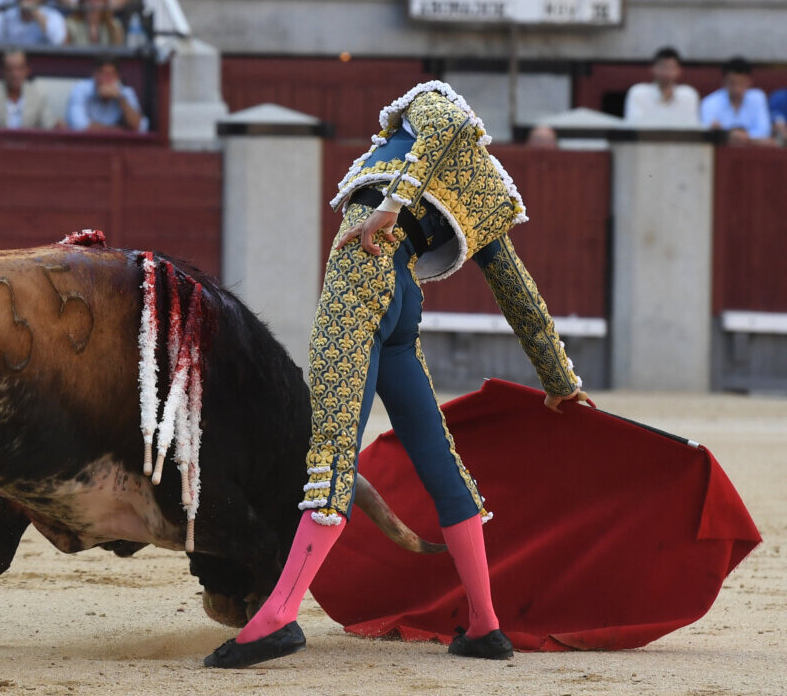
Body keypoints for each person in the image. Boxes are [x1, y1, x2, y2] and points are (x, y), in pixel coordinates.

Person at [205, 81, 587, 669]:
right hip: (403, 298)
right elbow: (520, 295)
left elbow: (445, 127)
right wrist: (561, 381)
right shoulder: (481, 188)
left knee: (330, 451)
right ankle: (485, 624)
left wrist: (388, 206)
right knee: (438, 456)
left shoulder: (431, 105)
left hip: (362, 271)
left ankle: (277, 618)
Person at [0, 49, 58, 130]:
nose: (15, 74)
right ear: (2, 71)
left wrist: (56, 126)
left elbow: (48, 127)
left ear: (27, 70)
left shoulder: (38, 95)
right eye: (9, 69)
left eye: (19, 69)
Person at [699, 57, 773, 145]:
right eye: (732, 83)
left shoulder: (758, 97)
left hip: (753, 149)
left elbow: (764, 131)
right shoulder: (709, 103)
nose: (737, 89)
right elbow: (706, 132)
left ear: (749, 82)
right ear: (724, 82)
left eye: (742, 83)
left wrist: (743, 137)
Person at [623, 46, 700, 126]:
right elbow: (633, 127)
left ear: (679, 70)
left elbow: (692, 128)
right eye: (662, 67)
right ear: (652, 68)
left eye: (670, 67)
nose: (666, 72)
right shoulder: (638, 93)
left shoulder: (688, 95)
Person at [65, 57, 144, 132]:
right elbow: (79, 126)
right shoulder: (81, 89)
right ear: (94, 75)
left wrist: (121, 99)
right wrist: (118, 130)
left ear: (118, 77)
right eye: (101, 74)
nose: (104, 80)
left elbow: (139, 127)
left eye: (109, 75)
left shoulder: (126, 93)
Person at [0, 0, 66, 46]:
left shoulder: (54, 16)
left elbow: (57, 41)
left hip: (41, 61)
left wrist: (35, 12)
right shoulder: (8, 15)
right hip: (13, 60)